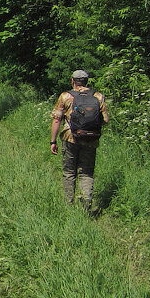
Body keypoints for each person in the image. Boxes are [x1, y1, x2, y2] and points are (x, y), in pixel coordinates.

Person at [50, 69, 109, 212]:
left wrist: (53, 141)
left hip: (70, 138)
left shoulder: (65, 96)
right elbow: (106, 120)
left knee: (69, 172)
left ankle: (68, 205)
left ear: (73, 81)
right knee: (86, 172)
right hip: (91, 139)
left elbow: (57, 120)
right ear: (87, 81)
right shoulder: (98, 96)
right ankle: (85, 204)